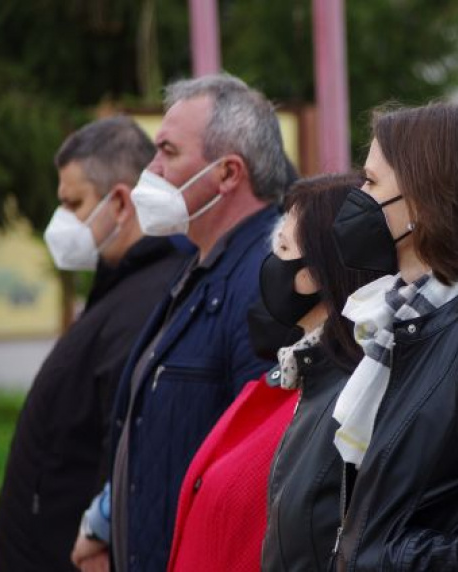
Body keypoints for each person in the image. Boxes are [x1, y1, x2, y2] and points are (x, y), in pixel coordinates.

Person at [73, 74, 290, 572]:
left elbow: (259, 465)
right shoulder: (201, 266)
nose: (151, 170)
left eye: (167, 152)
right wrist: (106, 522)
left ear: (228, 173)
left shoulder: (262, 282)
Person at [328, 102, 458, 570]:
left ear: (423, 203)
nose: (358, 197)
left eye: (371, 182)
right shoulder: (403, 323)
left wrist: (390, 558)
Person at [0, 116, 191, 572]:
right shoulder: (122, 289)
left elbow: (122, 445)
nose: (61, 222)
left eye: (73, 203)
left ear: (119, 202)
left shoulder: (147, 300)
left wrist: (101, 539)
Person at [166, 173, 382, 571]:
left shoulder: (346, 404)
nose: (269, 263)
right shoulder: (292, 380)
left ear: (316, 275)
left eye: (282, 248)